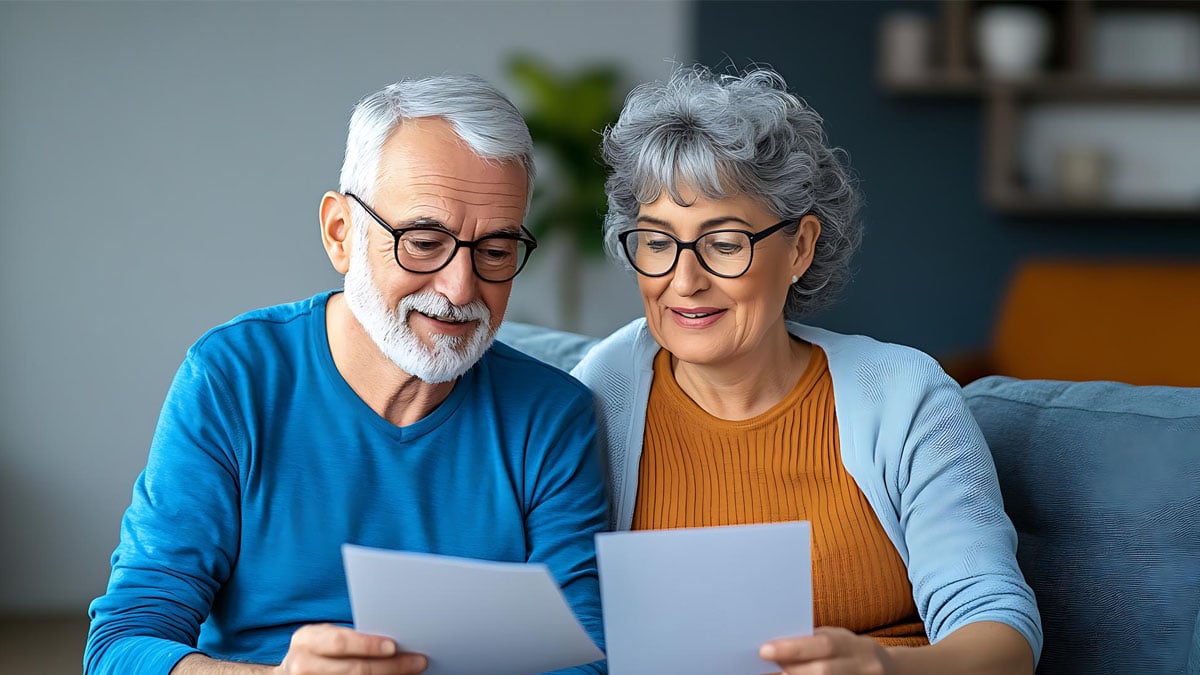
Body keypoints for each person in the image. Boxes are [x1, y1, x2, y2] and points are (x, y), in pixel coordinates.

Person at [85, 75, 608, 675]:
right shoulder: (234, 378)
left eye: (494, 250)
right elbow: (121, 646)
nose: (461, 288)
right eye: (423, 240)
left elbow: (586, 656)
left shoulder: (552, 416)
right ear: (341, 234)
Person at [571, 66, 1042, 675]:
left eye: (724, 242)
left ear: (799, 247)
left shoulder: (903, 399)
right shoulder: (598, 391)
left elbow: (1001, 636)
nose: (684, 282)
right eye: (658, 242)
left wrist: (884, 668)